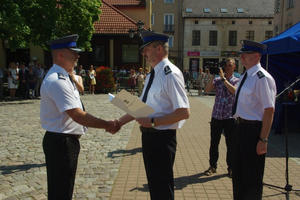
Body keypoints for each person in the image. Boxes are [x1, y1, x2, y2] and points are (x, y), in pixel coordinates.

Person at [41, 34, 120, 200]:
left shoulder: (65, 76)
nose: (78, 56)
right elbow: (77, 114)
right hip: (61, 142)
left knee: (64, 189)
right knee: (61, 192)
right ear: (61, 54)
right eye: (73, 52)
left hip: (64, 141)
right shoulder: (58, 80)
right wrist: (107, 123)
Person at [113, 31, 190, 200]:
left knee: (162, 189)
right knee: (155, 187)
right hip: (150, 138)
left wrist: (153, 122)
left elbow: (184, 112)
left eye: (146, 49)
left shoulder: (171, 74)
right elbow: (140, 107)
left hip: (162, 138)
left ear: (159, 49)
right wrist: (119, 122)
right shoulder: (152, 74)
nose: (143, 53)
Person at [232, 40, 276, 200]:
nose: (241, 57)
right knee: (238, 174)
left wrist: (263, 139)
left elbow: (269, 109)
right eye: (241, 54)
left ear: (256, 56)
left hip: (253, 130)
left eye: (246, 54)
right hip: (240, 128)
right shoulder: (245, 76)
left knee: (252, 178)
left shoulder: (262, 78)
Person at [204, 58, 239, 178]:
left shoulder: (236, 80)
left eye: (230, 65)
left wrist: (224, 79)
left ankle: (232, 167)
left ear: (234, 67)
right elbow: (207, 89)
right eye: (226, 65)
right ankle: (212, 166)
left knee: (231, 144)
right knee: (214, 143)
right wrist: (213, 74)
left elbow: (234, 91)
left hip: (230, 117)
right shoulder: (217, 80)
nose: (227, 67)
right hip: (217, 116)